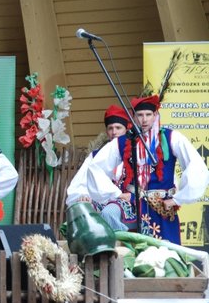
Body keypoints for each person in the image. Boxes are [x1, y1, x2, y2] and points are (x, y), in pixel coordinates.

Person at [88, 95, 209, 244]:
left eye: (148, 114)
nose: (144, 119)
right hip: (134, 205)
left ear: (155, 115)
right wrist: (117, 194)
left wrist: (177, 198)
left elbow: (197, 166)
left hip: (162, 205)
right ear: (133, 116)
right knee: (135, 251)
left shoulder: (171, 137)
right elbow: (95, 168)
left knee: (167, 252)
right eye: (139, 115)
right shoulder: (124, 141)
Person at [66, 105, 132, 230]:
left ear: (126, 129)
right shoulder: (96, 155)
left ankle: (121, 244)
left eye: (118, 128)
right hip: (102, 201)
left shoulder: (134, 153)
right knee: (82, 209)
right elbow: (81, 181)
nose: (114, 132)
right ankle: (91, 246)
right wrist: (83, 195)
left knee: (109, 213)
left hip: (128, 201)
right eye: (110, 128)